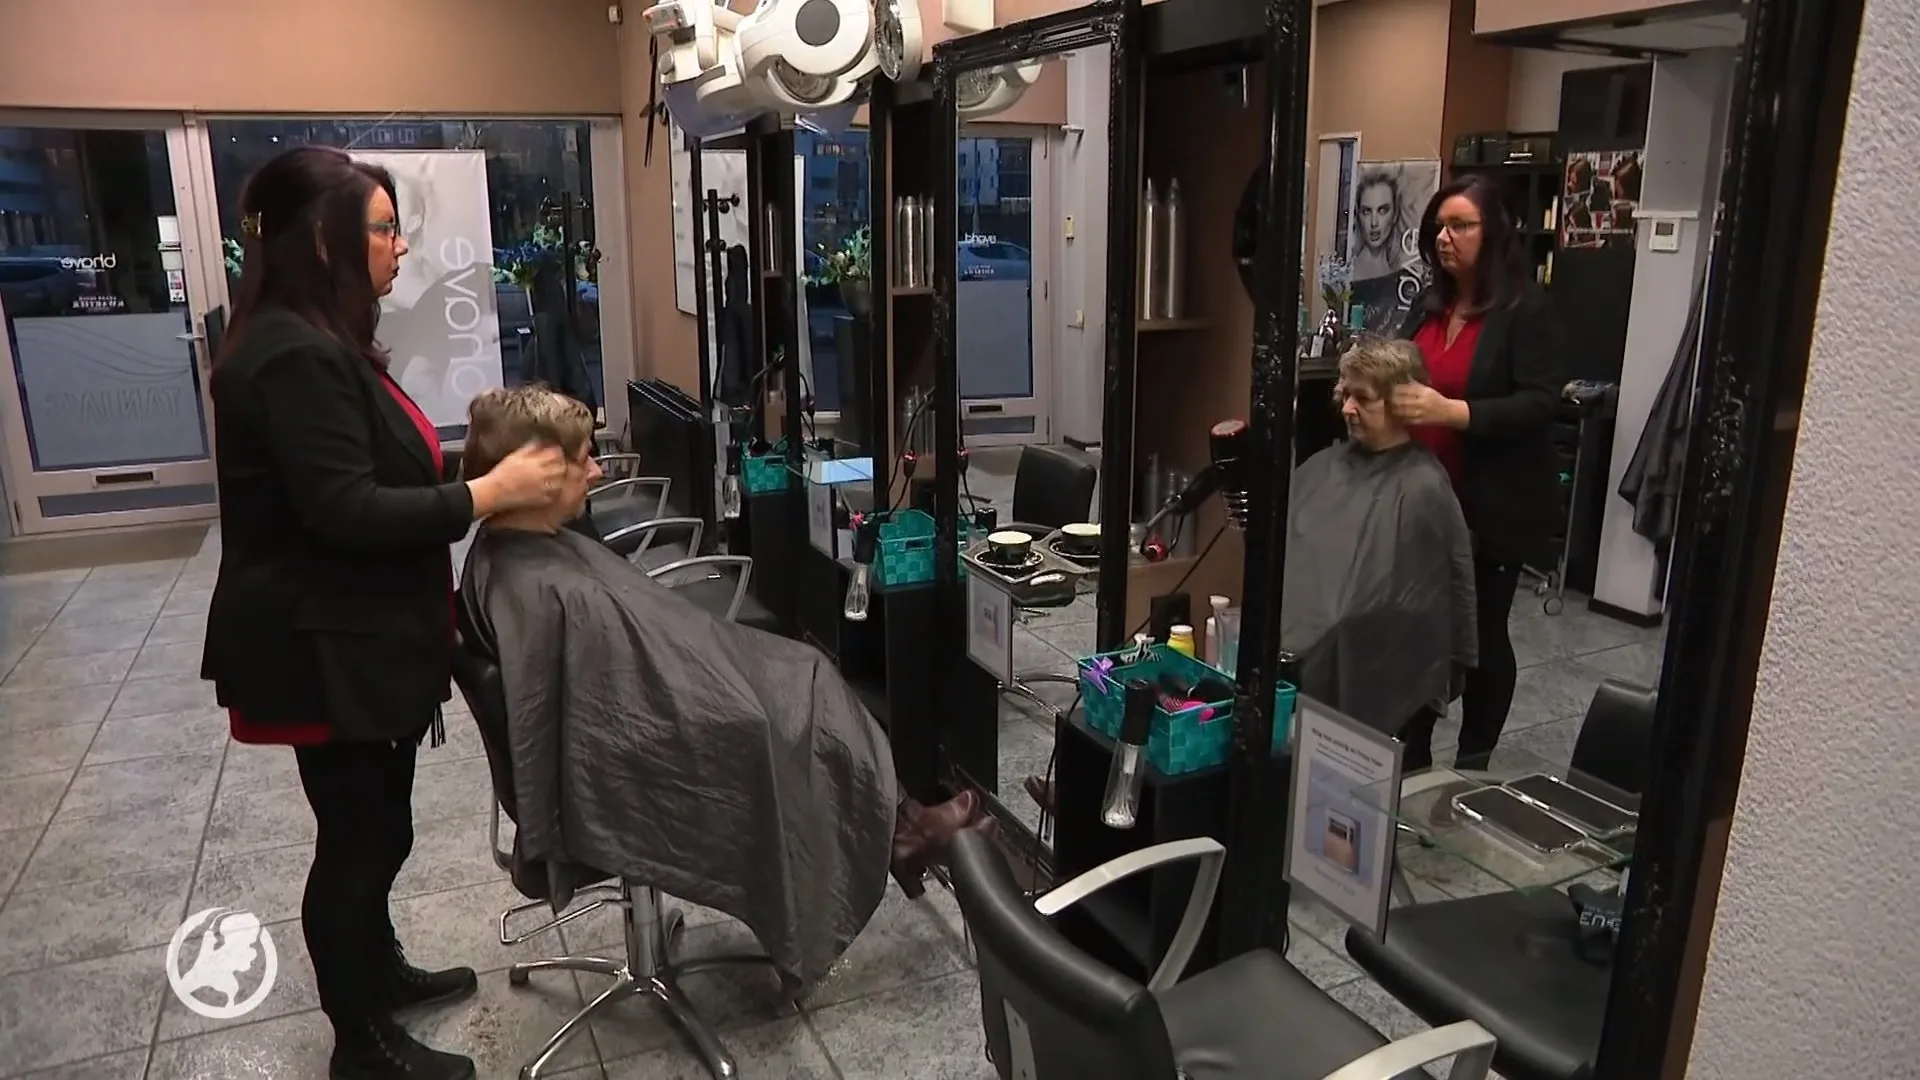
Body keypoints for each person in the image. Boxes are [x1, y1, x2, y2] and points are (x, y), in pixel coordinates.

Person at [199, 145, 570, 1080]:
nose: (400, 245)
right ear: (325, 240)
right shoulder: (291, 355)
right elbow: (347, 510)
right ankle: (358, 1043)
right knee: (358, 844)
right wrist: (486, 494)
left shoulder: (315, 340)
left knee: (379, 831)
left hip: (350, 631)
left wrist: (481, 472)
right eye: (383, 227)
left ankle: (379, 973)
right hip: (321, 645)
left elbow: (376, 470)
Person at [456, 384, 987, 995]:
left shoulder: (515, 556)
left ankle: (904, 825)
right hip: (622, 762)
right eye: (582, 460)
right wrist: (733, 703)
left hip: (645, 709)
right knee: (783, 712)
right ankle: (903, 830)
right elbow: (602, 713)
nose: (597, 471)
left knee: (801, 677)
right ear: (536, 477)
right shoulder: (544, 589)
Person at [1391, 174, 1570, 769]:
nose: (1445, 237)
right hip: (1421, 497)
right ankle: (1412, 755)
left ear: (1493, 233)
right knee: (1418, 631)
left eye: (1460, 226)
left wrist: (1453, 412)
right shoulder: (1428, 304)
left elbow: (1540, 402)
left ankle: (1473, 763)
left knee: (1481, 635)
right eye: (1439, 226)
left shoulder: (1527, 311)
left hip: (1490, 505)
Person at [1279, 338, 1477, 743]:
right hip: (1297, 655)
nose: (1347, 409)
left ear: (1403, 404)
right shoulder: (1323, 466)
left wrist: (1332, 628)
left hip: (1375, 659)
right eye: (1345, 394)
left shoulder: (1423, 486)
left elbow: (1427, 600)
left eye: (1363, 398)